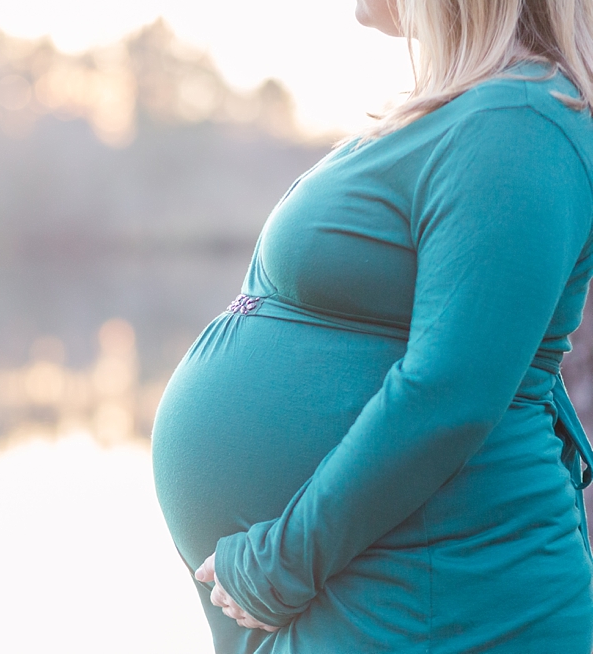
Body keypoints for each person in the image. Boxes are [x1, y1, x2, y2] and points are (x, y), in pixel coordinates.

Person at [150, 1, 593, 652]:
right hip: (380, 592)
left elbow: (451, 390)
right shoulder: (473, 111)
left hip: (444, 604)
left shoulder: (522, 119)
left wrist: (280, 565)